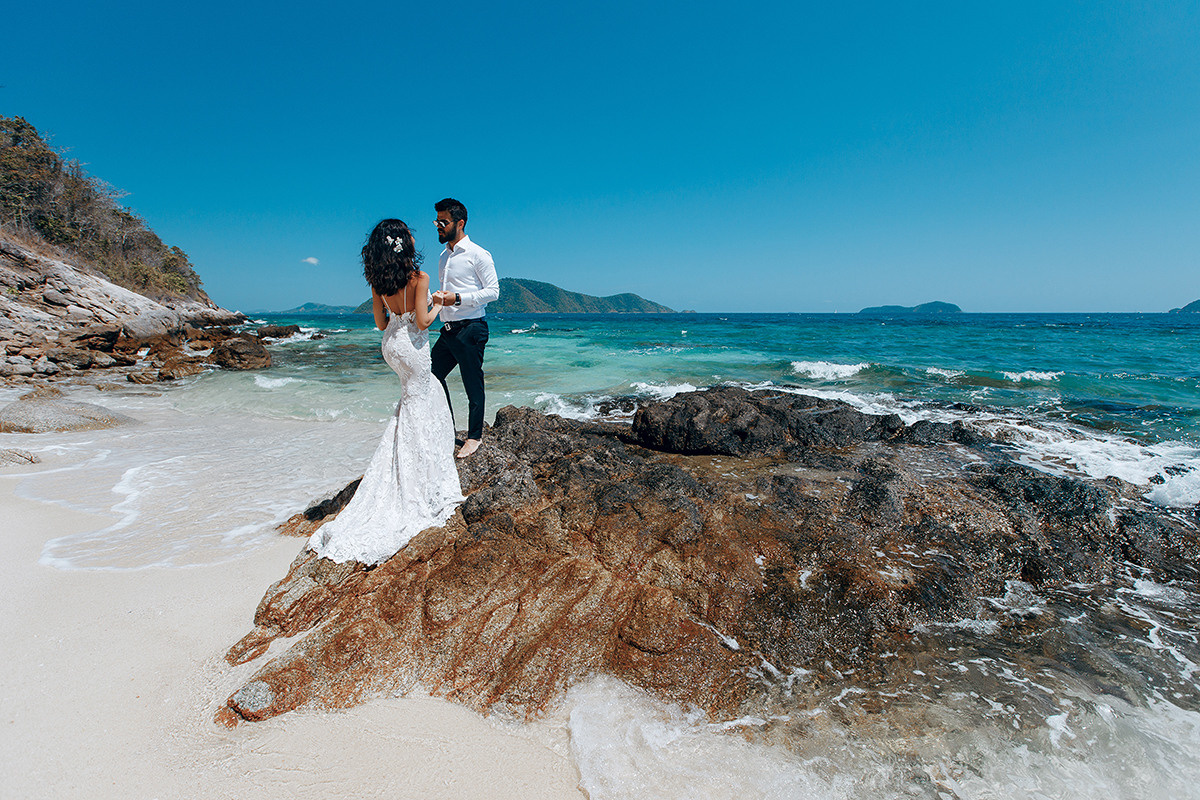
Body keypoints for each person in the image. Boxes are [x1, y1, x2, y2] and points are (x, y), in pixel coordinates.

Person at [308, 219, 464, 565]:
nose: (412, 235)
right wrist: (439, 303)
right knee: (423, 395)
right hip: (412, 345)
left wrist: (399, 312)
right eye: (408, 232)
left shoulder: (378, 281)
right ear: (403, 243)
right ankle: (424, 466)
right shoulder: (419, 278)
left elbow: (381, 322)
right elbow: (423, 322)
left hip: (391, 345)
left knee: (413, 398)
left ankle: (406, 455)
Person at [430, 198, 499, 459]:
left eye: (443, 221)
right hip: (448, 330)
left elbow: (493, 292)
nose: (438, 225)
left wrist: (457, 298)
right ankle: (447, 429)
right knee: (431, 376)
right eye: (436, 221)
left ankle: (474, 437)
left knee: (472, 384)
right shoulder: (443, 256)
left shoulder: (478, 254)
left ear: (460, 223)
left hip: (471, 328)